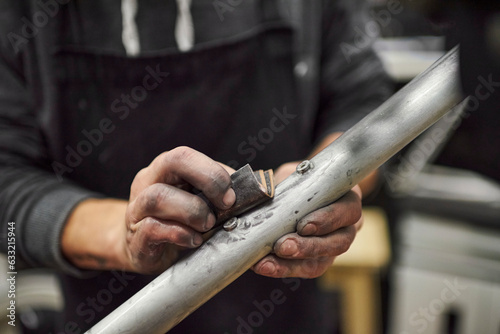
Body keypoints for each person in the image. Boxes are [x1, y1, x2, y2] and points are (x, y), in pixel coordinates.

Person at [0, 0, 391, 332]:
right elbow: (7, 180)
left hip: (286, 310)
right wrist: (124, 235)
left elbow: (363, 104)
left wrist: (326, 181)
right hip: (110, 313)